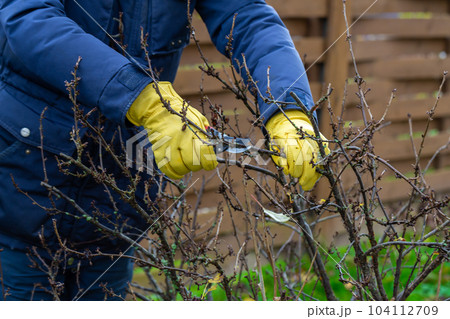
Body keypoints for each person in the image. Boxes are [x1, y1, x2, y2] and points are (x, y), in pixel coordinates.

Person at [0, 0, 328, 300]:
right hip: (23, 184)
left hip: (118, 200)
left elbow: (247, 18)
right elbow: (30, 19)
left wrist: (289, 108)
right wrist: (142, 98)